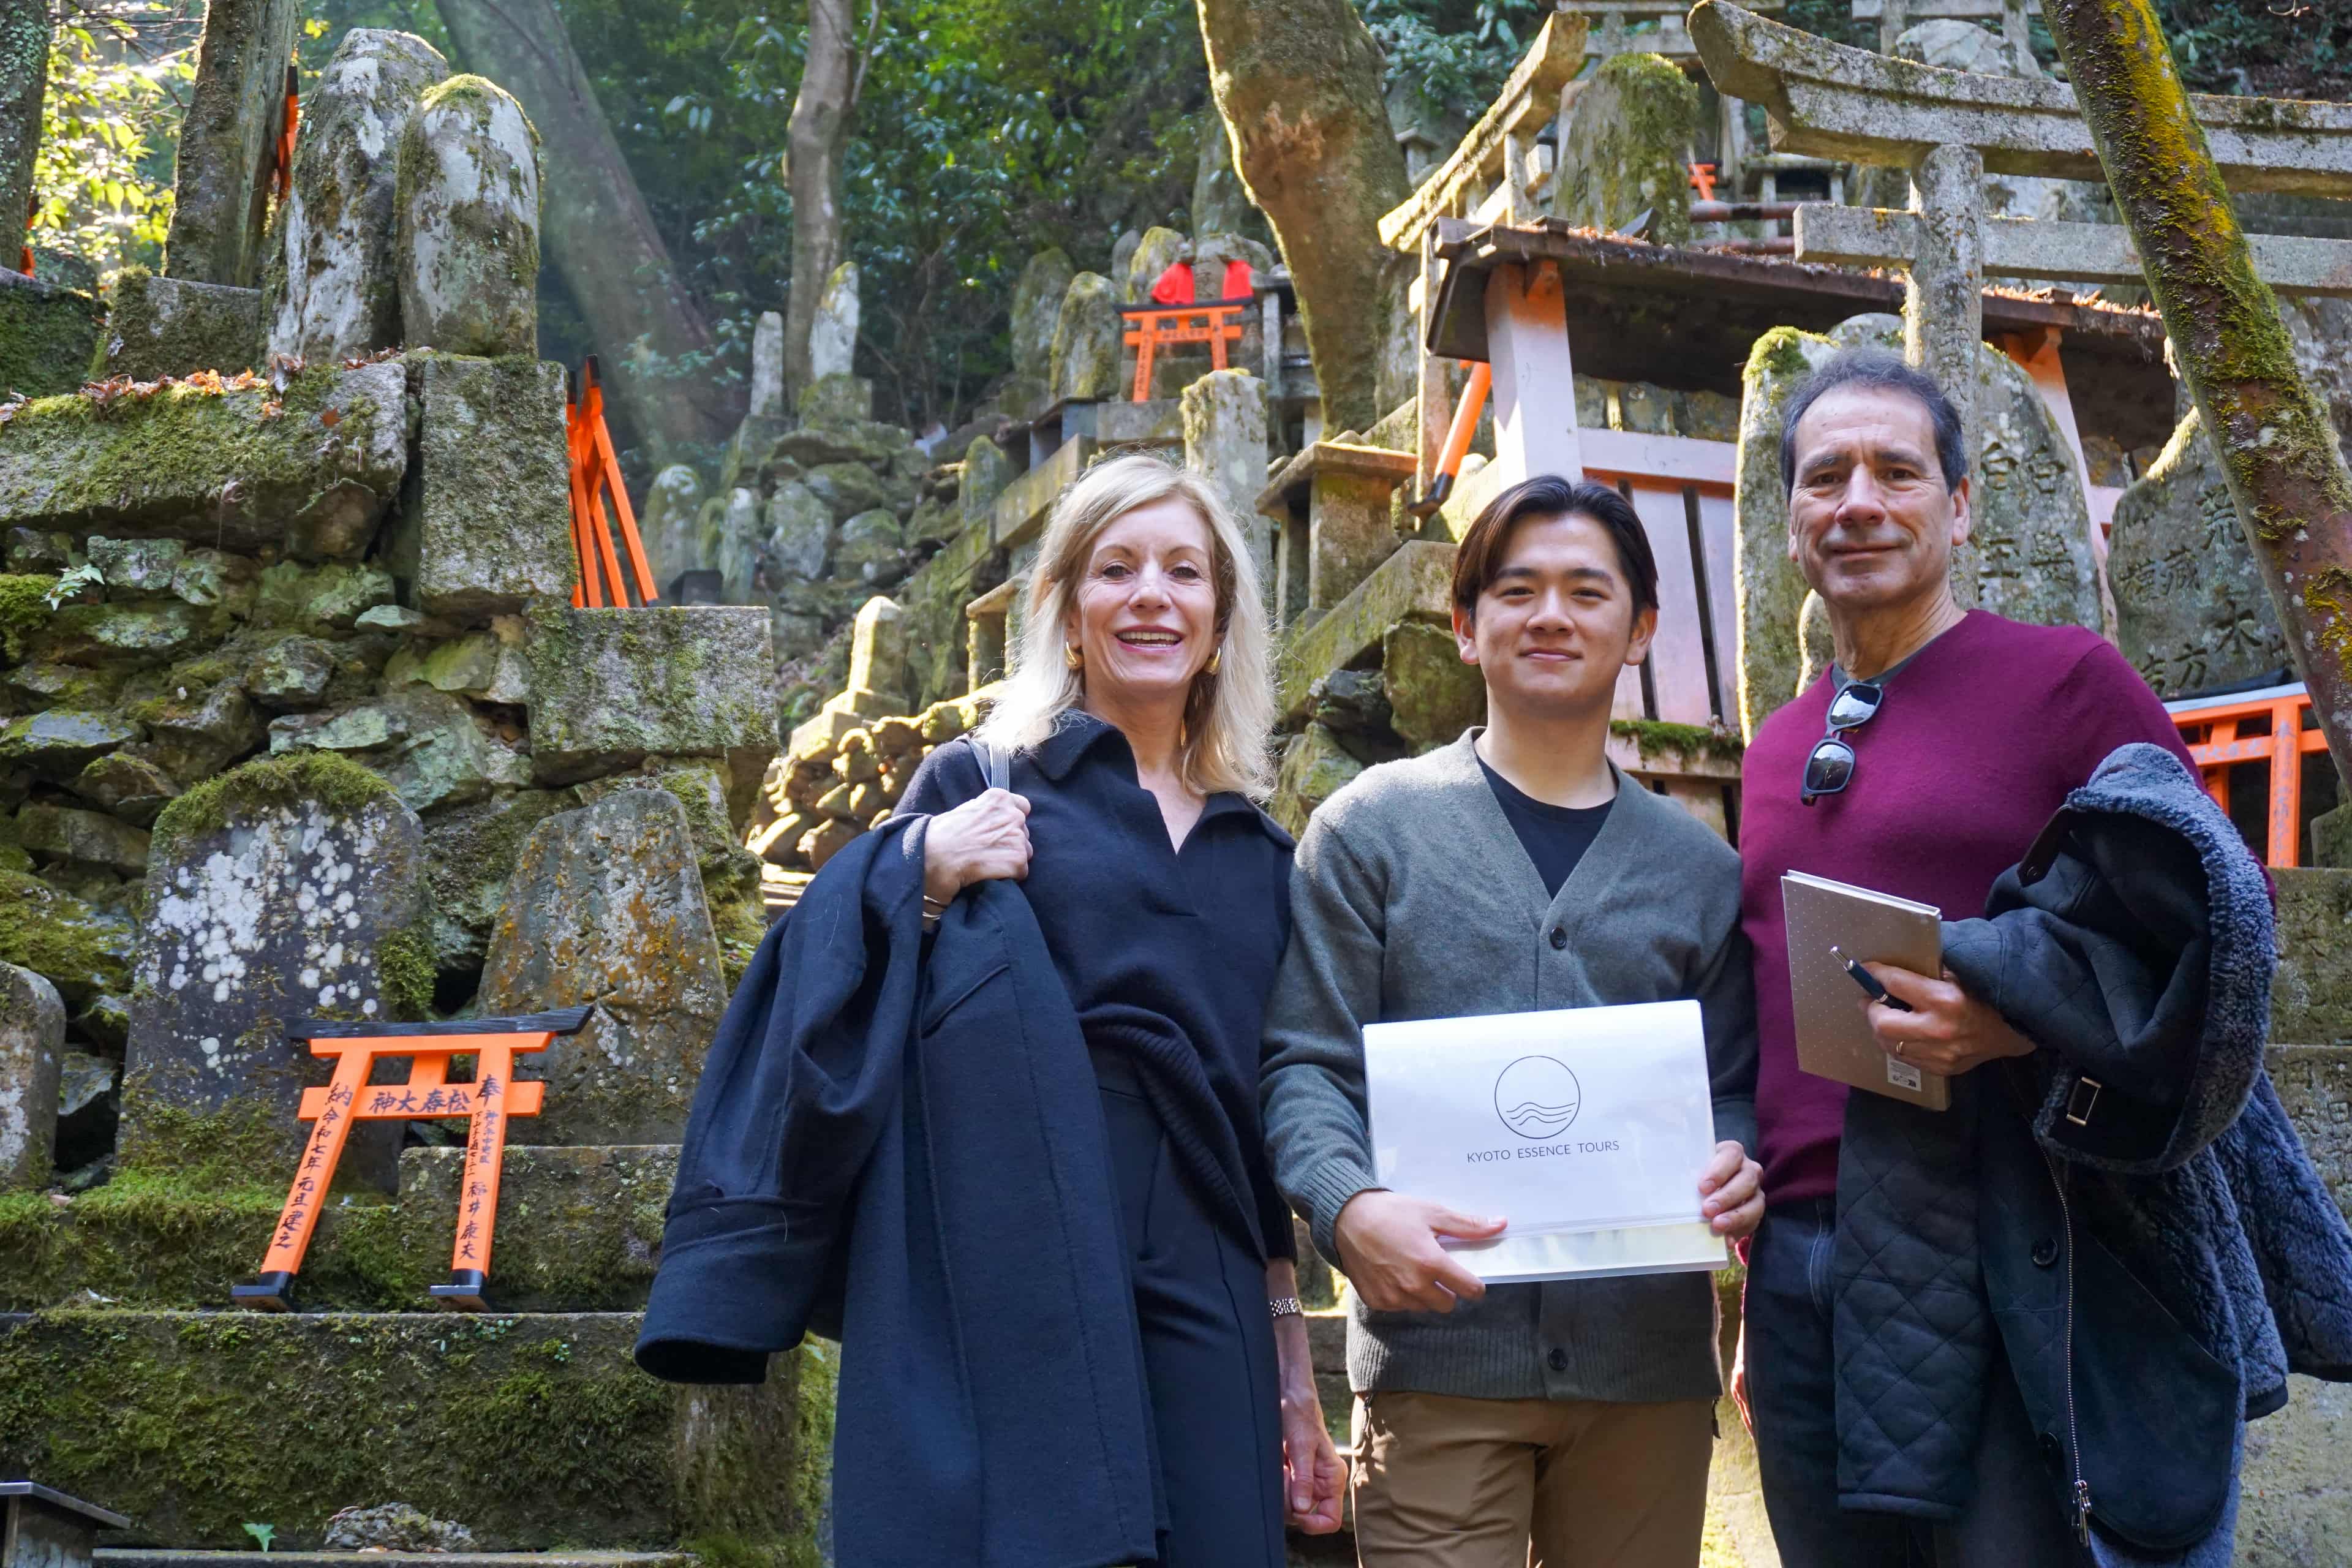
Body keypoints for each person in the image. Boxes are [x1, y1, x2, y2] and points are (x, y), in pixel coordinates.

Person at [1735, 349, 2352, 1566]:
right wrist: (1758, 1290)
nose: (1857, 499)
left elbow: (2214, 928)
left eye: (1896, 470)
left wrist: (2023, 1014)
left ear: (1960, 506)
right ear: (1791, 517)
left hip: (2024, 1226)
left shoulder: (2067, 680)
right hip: (1808, 1255)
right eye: (1825, 476)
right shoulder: (1777, 744)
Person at [1261, 475, 1766, 1568]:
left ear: (1639, 630)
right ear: (1464, 623)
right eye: (1517, 589)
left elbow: (1735, 1083)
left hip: (1646, 1377)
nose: (1550, 616)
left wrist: (1740, 1156)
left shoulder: (1701, 871)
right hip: (1440, 1367)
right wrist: (1348, 1213)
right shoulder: (1370, 833)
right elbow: (1304, 1064)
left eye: (1588, 592)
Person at [895, 453, 1346, 1566]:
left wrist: (1297, 1378)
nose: (1152, 595)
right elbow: (858, 998)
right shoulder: (978, 784)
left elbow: (1257, 1123)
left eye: (1185, 572)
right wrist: (920, 868)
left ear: (1221, 617)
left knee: (1226, 1539)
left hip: (1208, 1235)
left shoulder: (1263, 852)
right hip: (1026, 1205)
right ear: (1066, 608)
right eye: (1116, 569)